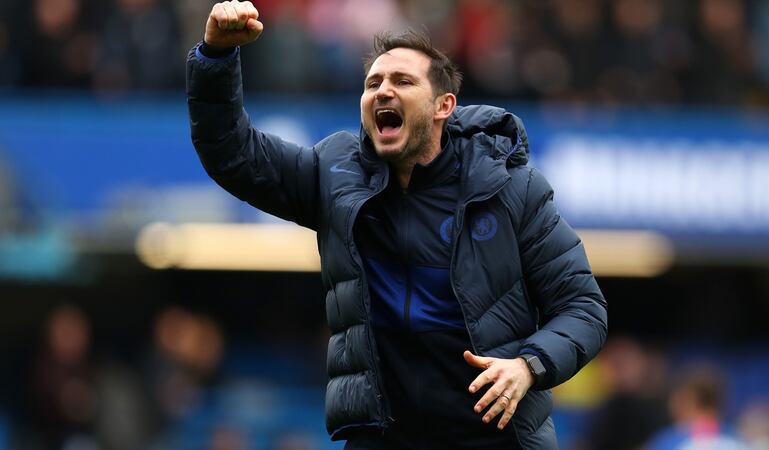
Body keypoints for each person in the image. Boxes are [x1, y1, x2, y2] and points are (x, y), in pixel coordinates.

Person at [186, 1, 608, 448]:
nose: (383, 90)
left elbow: (584, 309)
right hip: (383, 437)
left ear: (444, 105)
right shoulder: (334, 174)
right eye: (373, 83)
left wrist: (528, 365)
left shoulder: (512, 188)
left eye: (403, 81)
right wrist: (216, 57)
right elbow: (233, 153)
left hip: (494, 437)